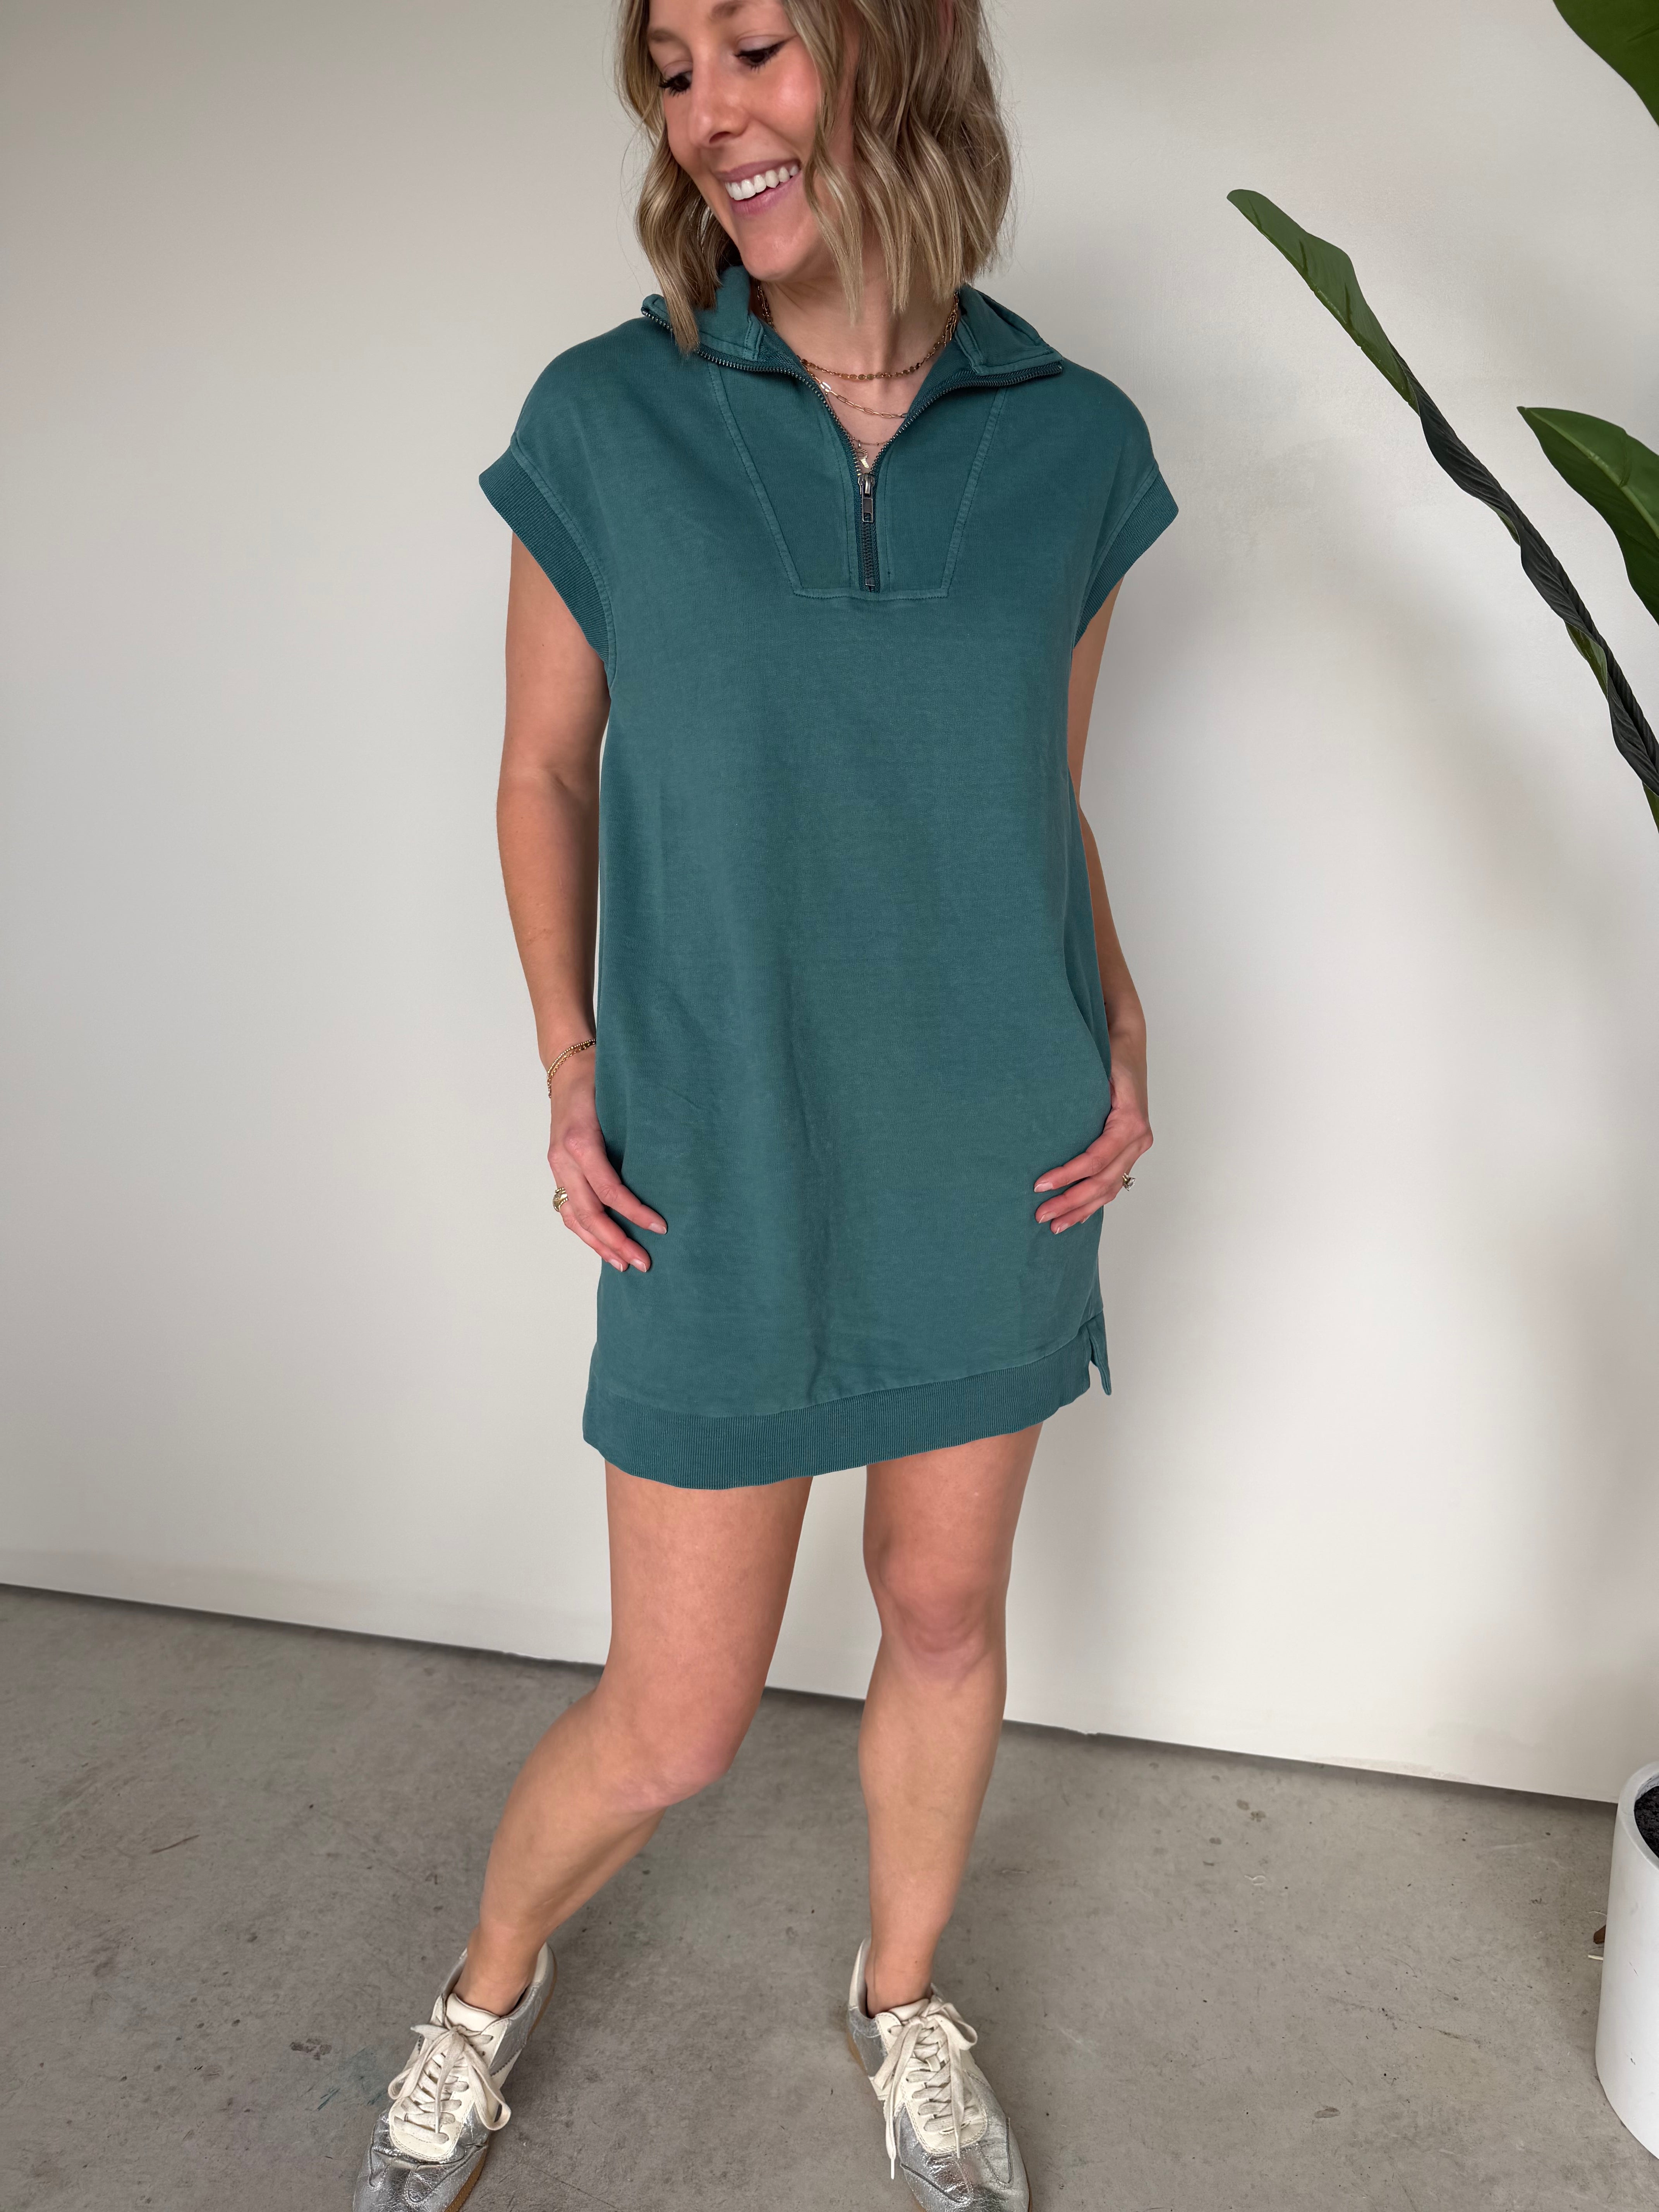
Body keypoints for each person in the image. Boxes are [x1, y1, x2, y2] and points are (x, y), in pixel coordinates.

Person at [353, 0, 1175, 2205]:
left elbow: (1040, 791)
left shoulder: (1075, 439)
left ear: (894, 53)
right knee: (678, 1717)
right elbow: (544, 768)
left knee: (944, 1619)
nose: (708, 109)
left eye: (756, 45)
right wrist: (570, 1065)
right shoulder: (606, 417)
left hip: (993, 1137)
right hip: (713, 1144)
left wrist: (1118, 1019)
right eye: (672, 63)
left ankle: (905, 2000)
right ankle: (481, 1996)